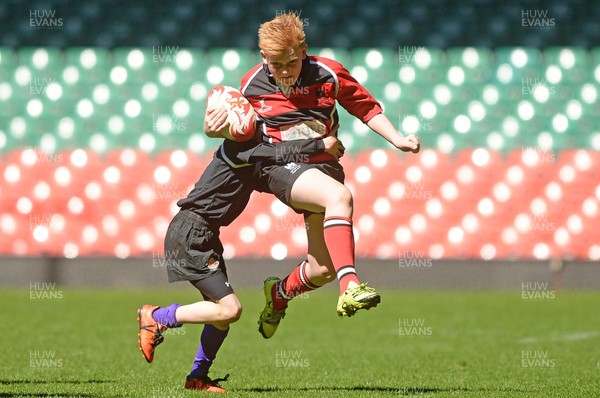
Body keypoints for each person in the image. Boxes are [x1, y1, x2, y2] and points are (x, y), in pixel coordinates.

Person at [241, 13, 421, 337]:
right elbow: (240, 140)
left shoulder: (329, 73)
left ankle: (279, 294)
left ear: (304, 50)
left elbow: (364, 106)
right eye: (276, 65)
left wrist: (397, 139)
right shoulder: (251, 86)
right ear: (263, 56)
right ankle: (350, 286)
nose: (283, 72)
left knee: (321, 269)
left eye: (291, 63)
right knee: (339, 197)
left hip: (323, 167)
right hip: (280, 167)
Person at [137, 133, 344, 393]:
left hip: (204, 233)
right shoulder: (240, 147)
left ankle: (197, 378)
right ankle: (157, 317)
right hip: (192, 232)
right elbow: (278, 154)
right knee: (230, 310)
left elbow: (276, 169)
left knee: (220, 317)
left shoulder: (251, 152)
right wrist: (318, 145)